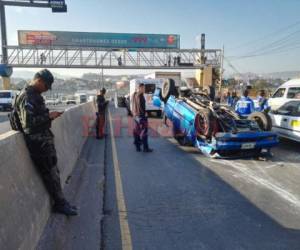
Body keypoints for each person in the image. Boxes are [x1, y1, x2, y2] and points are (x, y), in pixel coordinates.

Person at [15, 69, 77, 216]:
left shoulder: (34, 95)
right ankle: (60, 204)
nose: (47, 89)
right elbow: (28, 125)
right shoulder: (27, 96)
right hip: (38, 144)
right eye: (46, 86)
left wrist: (48, 116)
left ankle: (61, 201)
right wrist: (49, 116)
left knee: (54, 172)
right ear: (39, 81)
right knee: (50, 174)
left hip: (43, 141)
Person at [132, 83, 153, 153]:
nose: (144, 89)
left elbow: (133, 105)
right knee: (144, 132)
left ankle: (137, 146)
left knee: (137, 131)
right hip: (141, 116)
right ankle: (145, 148)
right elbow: (141, 107)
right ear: (140, 88)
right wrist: (145, 114)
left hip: (136, 116)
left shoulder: (134, 94)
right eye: (143, 88)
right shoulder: (140, 96)